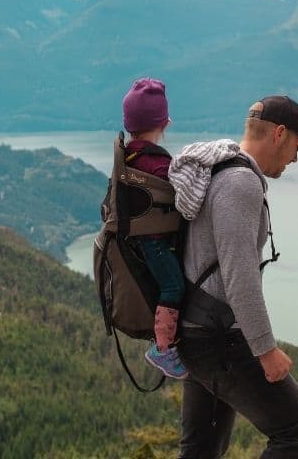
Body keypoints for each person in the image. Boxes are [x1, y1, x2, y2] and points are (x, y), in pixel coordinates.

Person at [168, 95, 298, 458]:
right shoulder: (241, 182)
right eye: (297, 147)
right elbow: (240, 277)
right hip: (221, 339)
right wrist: (266, 350)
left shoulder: (216, 170)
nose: (295, 159)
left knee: (200, 451)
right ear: (280, 134)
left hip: (196, 332)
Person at [121, 77, 188, 379]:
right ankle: (162, 349)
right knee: (173, 286)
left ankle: (164, 343)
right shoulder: (158, 165)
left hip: (139, 240)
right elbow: (183, 197)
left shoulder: (129, 157)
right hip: (156, 242)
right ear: (165, 122)